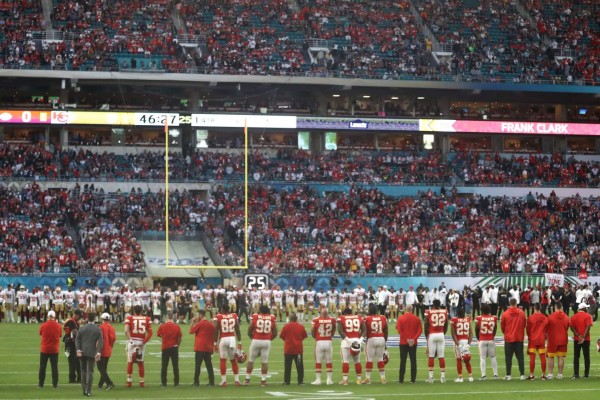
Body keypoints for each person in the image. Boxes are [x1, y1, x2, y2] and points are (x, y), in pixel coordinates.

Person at [244, 304, 277, 385]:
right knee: (264, 362)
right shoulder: (272, 318)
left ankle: (247, 380)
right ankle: (263, 381)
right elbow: (275, 333)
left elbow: (249, 330)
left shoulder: (255, 316)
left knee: (251, 361)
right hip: (266, 341)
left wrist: (253, 338)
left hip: (256, 340)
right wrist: (269, 339)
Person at [214, 304, 243, 386]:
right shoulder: (234, 315)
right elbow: (237, 329)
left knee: (223, 360)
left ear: (222, 309)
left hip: (223, 339)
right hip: (232, 339)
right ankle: (237, 380)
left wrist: (215, 343)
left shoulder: (218, 316)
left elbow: (216, 330)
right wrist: (240, 342)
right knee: (233, 361)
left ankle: (223, 381)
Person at [76, 313, 103, 397]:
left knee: (83, 371)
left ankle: (84, 389)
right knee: (90, 371)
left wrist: (78, 350)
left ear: (87, 319)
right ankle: (88, 390)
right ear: (94, 319)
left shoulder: (82, 328)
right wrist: (98, 352)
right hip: (91, 352)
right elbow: (101, 342)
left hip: (82, 352)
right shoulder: (97, 329)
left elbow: (77, 340)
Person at [125, 305, 153, 387]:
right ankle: (141, 382)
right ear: (141, 311)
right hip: (141, 341)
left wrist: (130, 340)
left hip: (132, 341)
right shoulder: (147, 319)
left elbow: (126, 331)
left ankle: (129, 382)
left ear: (134, 311)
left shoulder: (130, 318)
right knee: (140, 362)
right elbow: (150, 333)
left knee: (130, 361)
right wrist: (143, 342)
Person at [362, 304, 388, 384]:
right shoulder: (382, 317)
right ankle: (383, 378)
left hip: (371, 339)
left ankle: (368, 378)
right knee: (380, 359)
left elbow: (364, 329)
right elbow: (386, 330)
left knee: (369, 359)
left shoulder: (367, 318)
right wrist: (385, 341)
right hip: (381, 338)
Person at [501, 298, 527, 380]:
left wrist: (506, 333)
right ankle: (522, 375)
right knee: (520, 357)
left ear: (509, 303)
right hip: (519, 337)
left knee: (508, 357)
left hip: (509, 338)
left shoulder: (505, 314)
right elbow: (524, 324)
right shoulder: (522, 313)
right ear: (516, 303)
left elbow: (502, 326)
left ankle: (508, 375)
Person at [337, 307, 364, 385]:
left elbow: (340, 331)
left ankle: (345, 380)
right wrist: (360, 340)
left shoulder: (341, 318)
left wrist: (348, 341)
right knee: (357, 362)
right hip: (357, 341)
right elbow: (364, 330)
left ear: (345, 313)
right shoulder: (358, 317)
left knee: (345, 361)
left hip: (346, 342)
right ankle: (359, 380)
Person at [424, 299, 448, 383]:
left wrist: (427, 336)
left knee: (431, 356)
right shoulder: (444, 312)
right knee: (441, 356)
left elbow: (426, 324)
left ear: (433, 305)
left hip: (432, 334)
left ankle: (431, 378)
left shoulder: (429, 312)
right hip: (441, 334)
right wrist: (442, 333)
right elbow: (446, 325)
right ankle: (443, 377)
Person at [279, 313, 307, 385]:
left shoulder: (286, 326)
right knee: (300, 366)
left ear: (290, 319)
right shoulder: (301, 326)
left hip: (288, 349)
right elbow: (304, 336)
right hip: (298, 349)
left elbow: (282, 336)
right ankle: (300, 381)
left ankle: (287, 381)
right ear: (296, 319)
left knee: (287, 366)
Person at [396, 304, 421, 384]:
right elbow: (420, 330)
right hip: (413, 343)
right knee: (413, 361)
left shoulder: (401, 318)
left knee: (403, 361)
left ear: (405, 309)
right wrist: (413, 339)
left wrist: (407, 339)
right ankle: (413, 379)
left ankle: (401, 379)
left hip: (403, 342)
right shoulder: (417, 318)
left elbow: (399, 330)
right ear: (412, 309)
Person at [311, 307, 336, 385]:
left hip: (320, 341)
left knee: (318, 361)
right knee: (328, 361)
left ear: (321, 313)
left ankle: (318, 380)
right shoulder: (332, 320)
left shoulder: (316, 320)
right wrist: (331, 335)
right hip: (328, 341)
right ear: (327, 313)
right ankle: (329, 380)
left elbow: (312, 330)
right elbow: (334, 329)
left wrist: (316, 337)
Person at [190, 310, 215, 386]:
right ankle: (211, 382)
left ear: (201, 315)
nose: (197, 317)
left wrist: (193, 322)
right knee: (209, 366)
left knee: (198, 365)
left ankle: (196, 382)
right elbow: (213, 335)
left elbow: (191, 331)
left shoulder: (200, 324)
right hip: (208, 347)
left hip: (200, 348)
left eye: (198, 315)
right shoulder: (210, 324)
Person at [157, 311, 183, 387]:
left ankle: (164, 383)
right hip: (174, 347)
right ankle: (176, 382)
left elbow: (159, 334)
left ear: (166, 317)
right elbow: (180, 338)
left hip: (165, 347)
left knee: (164, 366)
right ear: (173, 317)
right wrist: (177, 345)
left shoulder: (162, 326)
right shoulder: (177, 326)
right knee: (175, 366)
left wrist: (164, 337)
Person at [38, 310, 62, 389]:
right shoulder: (58, 325)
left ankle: (41, 384)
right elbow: (60, 335)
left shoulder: (44, 325)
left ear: (48, 316)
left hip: (44, 349)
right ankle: (55, 385)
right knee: (54, 367)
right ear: (54, 317)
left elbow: (40, 333)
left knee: (42, 367)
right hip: (54, 349)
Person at [569, 302, 593, 379]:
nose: (587, 308)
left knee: (576, 356)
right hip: (586, 339)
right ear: (583, 308)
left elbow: (571, 327)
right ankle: (586, 374)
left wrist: (578, 335)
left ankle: (576, 374)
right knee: (586, 357)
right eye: (586, 307)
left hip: (577, 339)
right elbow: (588, 326)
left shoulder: (574, 317)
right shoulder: (588, 316)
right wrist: (583, 337)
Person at [546, 302, 569, 380]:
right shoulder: (566, 317)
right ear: (562, 307)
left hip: (552, 339)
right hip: (563, 339)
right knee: (561, 357)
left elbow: (546, 328)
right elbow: (567, 327)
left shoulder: (550, 317)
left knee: (550, 357)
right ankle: (560, 374)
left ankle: (550, 374)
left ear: (555, 307)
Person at [475, 304, 499, 380]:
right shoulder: (494, 318)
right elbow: (495, 328)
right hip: (491, 339)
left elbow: (476, 329)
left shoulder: (478, 318)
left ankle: (483, 375)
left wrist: (479, 338)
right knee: (493, 357)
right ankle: (495, 374)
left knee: (482, 358)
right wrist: (492, 336)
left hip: (482, 339)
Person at [450, 308, 473, 382]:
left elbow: (453, 333)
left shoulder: (454, 320)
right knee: (467, 359)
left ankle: (460, 377)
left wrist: (457, 344)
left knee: (459, 359)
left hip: (459, 341)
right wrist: (468, 344)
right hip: (466, 341)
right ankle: (470, 376)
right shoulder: (468, 319)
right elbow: (471, 333)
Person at [526, 303, 548, 380]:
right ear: (540, 308)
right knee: (543, 357)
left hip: (533, 340)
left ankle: (532, 375)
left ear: (534, 308)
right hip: (541, 339)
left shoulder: (531, 317)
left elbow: (528, 329)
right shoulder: (544, 317)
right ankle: (543, 375)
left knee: (532, 358)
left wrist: (529, 336)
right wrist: (545, 336)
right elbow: (547, 329)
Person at [97, 313, 116, 390]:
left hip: (101, 350)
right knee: (103, 368)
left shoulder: (101, 327)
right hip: (108, 349)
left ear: (102, 319)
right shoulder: (112, 327)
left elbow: (98, 339)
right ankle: (100, 385)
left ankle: (109, 383)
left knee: (101, 368)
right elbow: (113, 339)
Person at [64, 309, 82, 383]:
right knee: (73, 362)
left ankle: (78, 378)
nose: (80, 318)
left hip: (69, 344)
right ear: (76, 315)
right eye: (79, 316)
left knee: (75, 361)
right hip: (71, 344)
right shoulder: (72, 322)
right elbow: (75, 333)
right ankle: (72, 378)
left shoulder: (71, 321)